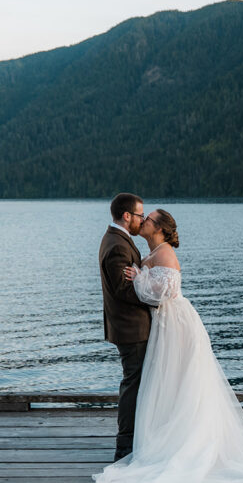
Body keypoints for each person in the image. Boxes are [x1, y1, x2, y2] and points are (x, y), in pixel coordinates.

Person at [93, 208, 243, 483]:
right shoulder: (151, 251)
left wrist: (138, 277)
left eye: (149, 219)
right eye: (143, 216)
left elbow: (163, 293)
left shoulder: (165, 255)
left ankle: (186, 444)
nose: (144, 221)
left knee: (181, 381)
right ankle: (161, 436)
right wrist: (142, 274)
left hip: (176, 323)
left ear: (160, 229)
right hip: (164, 324)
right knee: (167, 383)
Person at [98, 193, 151, 461]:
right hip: (131, 329)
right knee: (132, 385)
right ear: (127, 215)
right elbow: (123, 289)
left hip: (129, 327)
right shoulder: (117, 245)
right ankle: (124, 448)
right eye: (140, 214)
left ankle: (134, 442)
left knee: (137, 383)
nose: (142, 219)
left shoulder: (116, 238)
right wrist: (154, 295)